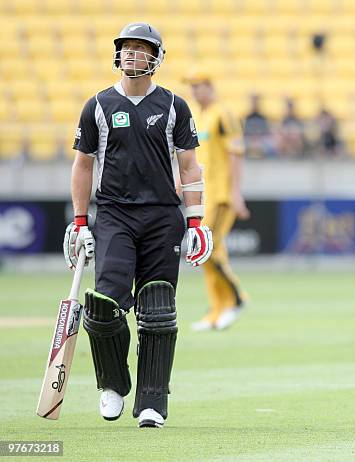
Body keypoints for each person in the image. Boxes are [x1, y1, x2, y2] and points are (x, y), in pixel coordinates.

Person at [64, 22, 213, 428]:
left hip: (163, 215)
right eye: (126, 48)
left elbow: (190, 166)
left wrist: (196, 221)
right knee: (103, 304)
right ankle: (111, 384)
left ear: (157, 57)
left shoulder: (174, 106)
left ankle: (152, 401)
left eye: (141, 48)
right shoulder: (98, 105)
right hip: (113, 214)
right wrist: (80, 222)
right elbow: (83, 164)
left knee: (158, 308)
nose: (132, 54)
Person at [182, 71, 250, 331]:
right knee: (208, 253)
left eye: (198, 86)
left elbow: (236, 154)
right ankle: (218, 309)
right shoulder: (199, 116)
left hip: (220, 196)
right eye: (192, 87)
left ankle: (236, 299)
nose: (195, 92)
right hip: (204, 197)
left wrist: (234, 192)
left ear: (210, 87)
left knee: (206, 249)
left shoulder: (224, 114)